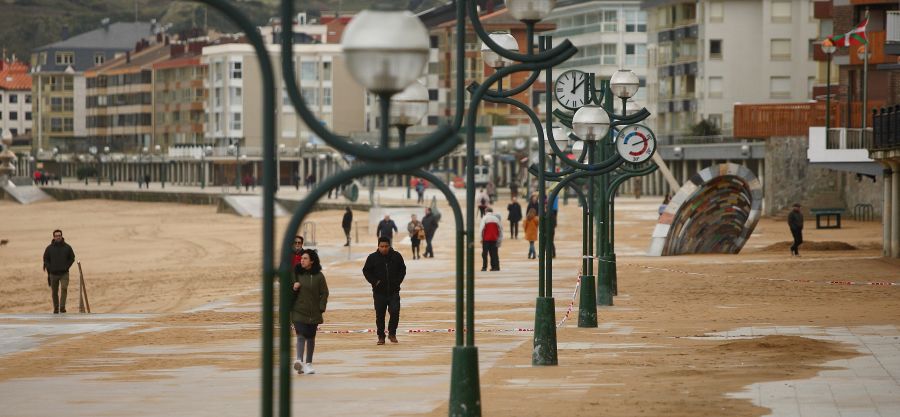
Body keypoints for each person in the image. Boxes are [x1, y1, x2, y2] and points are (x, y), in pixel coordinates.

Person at [291, 249, 329, 375]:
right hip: (298, 310)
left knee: (311, 337)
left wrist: (321, 307)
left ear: (312, 261)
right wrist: (294, 286)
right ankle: (299, 360)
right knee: (301, 335)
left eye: (305, 258)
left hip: (313, 312)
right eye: (301, 258)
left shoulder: (319, 276)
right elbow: (286, 287)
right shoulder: (296, 273)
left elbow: (324, 293)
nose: (302, 260)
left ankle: (308, 363)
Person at [362, 237, 406, 345]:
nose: (384, 249)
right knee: (380, 315)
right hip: (379, 292)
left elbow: (403, 269)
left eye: (386, 246)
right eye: (382, 246)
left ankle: (392, 334)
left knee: (395, 312)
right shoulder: (372, 257)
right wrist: (375, 282)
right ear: (378, 246)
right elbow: (366, 271)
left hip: (393, 291)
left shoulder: (396, 256)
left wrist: (397, 282)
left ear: (389, 246)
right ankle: (381, 336)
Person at [43, 229, 76, 314]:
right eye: (56, 236)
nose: (58, 237)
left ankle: (62, 307)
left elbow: (72, 258)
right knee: (54, 292)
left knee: (64, 288)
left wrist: (66, 266)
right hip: (53, 274)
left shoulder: (67, 247)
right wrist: (50, 268)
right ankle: (56, 308)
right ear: (53, 237)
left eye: (59, 235)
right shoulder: (49, 248)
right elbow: (45, 259)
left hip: (64, 273)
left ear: (62, 236)